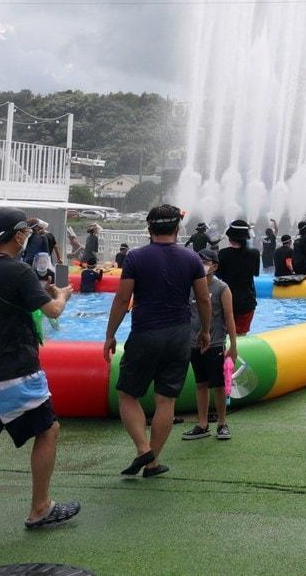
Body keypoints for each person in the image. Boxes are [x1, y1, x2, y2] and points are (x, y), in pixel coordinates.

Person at [0, 207, 77, 542]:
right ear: (17, 234)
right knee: (48, 430)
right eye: (25, 233)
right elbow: (52, 311)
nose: (27, 239)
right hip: (15, 370)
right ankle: (40, 508)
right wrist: (62, 294)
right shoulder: (18, 271)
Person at [104, 205, 211, 479]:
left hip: (146, 333)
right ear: (177, 228)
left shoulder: (136, 258)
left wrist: (110, 334)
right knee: (166, 401)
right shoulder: (191, 259)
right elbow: (203, 299)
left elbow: (121, 299)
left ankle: (143, 449)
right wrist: (206, 331)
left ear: (149, 228)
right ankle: (152, 462)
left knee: (127, 394)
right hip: (179, 334)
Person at [181, 249, 237, 442]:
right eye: (198, 261)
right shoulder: (190, 286)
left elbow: (229, 318)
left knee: (219, 385)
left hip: (215, 344)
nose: (201, 264)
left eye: (204, 261)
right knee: (200, 384)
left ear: (214, 265)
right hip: (194, 344)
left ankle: (222, 423)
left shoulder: (221, 288)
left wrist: (233, 346)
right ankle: (202, 424)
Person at [216, 219, 259, 334]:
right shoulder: (254, 253)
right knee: (241, 337)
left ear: (230, 237)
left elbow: (218, 275)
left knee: (225, 336)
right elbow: (255, 273)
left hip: (226, 301)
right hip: (247, 301)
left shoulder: (223, 254)